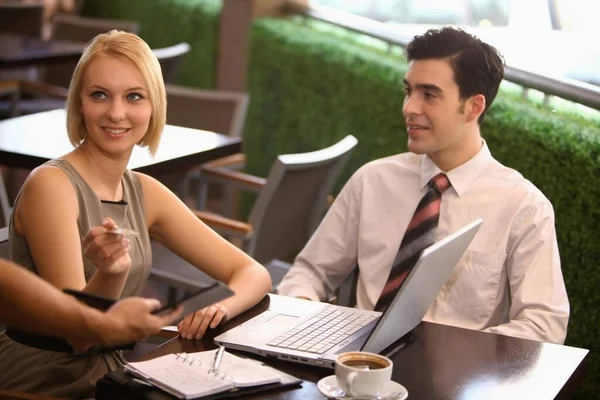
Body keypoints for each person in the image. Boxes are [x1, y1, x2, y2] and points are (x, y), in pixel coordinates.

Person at [0, 31, 271, 397]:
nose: (116, 112)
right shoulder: (51, 186)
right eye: (99, 95)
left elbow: (252, 273)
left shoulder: (145, 190)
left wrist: (219, 309)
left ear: (153, 106)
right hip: (43, 381)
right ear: (79, 103)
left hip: (112, 374)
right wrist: (113, 274)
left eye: (134, 97)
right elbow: (78, 334)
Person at [277, 27, 569, 344]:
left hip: (456, 383)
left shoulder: (522, 206)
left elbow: (544, 326)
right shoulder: (372, 180)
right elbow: (311, 272)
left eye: (429, 95)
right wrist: (304, 319)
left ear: (474, 106)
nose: (409, 108)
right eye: (409, 91)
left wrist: (460, 358)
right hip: (355, 369)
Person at [0, 257, 182, 351]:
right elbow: (75, 338)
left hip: (104, 359)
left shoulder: (138, 187)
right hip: (51, 372)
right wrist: (108, 326)